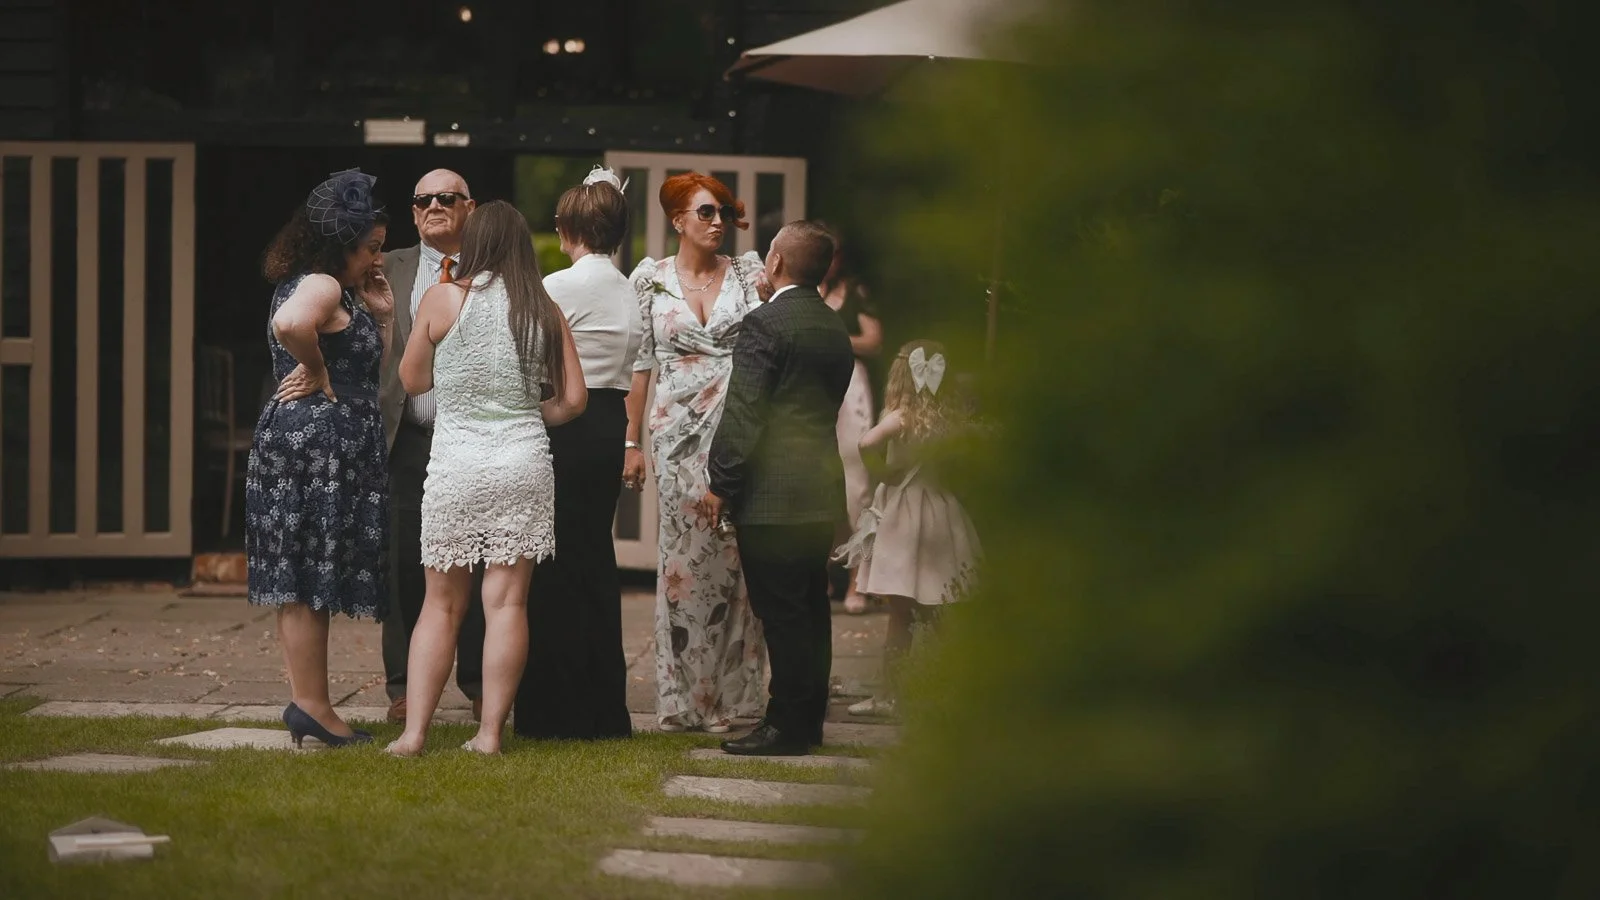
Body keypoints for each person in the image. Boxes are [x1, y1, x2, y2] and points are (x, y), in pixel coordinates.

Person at [385, 201, 586, 757]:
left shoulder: (444, 297)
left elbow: (413, 378)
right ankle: (490, 734)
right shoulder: (543, 308)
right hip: (522, 462)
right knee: (507, 605)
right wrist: (525, 415)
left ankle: (414, 734)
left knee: (440, 604)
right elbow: (574, 400)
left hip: (456, 462)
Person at [245, 168, 394, 748]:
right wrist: (315, 366)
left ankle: (312, 704)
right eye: (372, 249)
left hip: (315, 444)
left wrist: (379, 314)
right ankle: (310, 705)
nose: (376, 259)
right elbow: (291, 324)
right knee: (305, 577)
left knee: (305, 574)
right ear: (342, 246)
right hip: (315, 447)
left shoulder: (332, 287)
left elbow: (367, 376)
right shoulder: (322, 285)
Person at [700, 221, 856, 756]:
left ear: (777, 264)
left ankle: (785, 725)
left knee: (783, 613)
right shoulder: (833, 327)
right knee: (812, 608)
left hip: (772, 495)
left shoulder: (765, 325)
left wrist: (721, 481)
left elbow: (745, 413)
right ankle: (808, 719)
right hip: (818, 488)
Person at [624, 173, 768, 733]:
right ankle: (685, 698)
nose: (716, 222)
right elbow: (640, 366)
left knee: (738, 566)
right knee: (683, 567)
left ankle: (734, 697)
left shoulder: (748, 272)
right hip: (676, 436)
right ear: (678, 220)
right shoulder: (651, 280)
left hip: (738, 433)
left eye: (724, 213)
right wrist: (632, 442)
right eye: (706, 212)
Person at [514, 166, 643, 741]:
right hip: (609, 423)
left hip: (565, 424)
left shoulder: (560, 287)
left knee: (553, 563)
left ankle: (553, 710)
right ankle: (603, 710)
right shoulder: (630, 288)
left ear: (571, 229)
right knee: (594, 558)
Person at [377, 168, 486, 725]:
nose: (434, 207)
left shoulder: (495, 271)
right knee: (401, 564)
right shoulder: (385, 268)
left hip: (471, 440)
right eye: (423, 200)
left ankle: (478, 684)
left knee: (474, 560)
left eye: (447, 198)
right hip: (406, 441)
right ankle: (403, 687)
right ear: (413, 210)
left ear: (471, 206)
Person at [834, 340, 984, 717]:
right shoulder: (948, 419)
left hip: (903, 513)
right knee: (938, 611)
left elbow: (866, 441)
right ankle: (943, 690)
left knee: (900, 616)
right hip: (940, 511)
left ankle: (889, 696)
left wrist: (883, 473)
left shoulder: (902, 416)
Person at [818, 226, 884, 614]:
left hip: (851, 388)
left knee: (855, 486)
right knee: (818, 483)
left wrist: (834, 337)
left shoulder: (855, 292)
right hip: (817, 388)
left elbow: (874, 341)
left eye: (835, 252)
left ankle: (859, 579)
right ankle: (822, 574)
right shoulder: (805, 290)